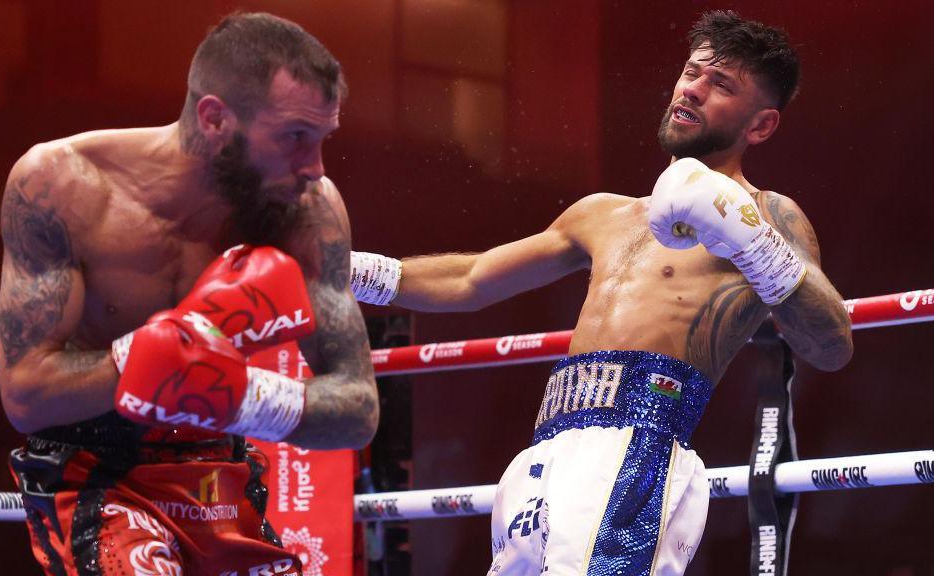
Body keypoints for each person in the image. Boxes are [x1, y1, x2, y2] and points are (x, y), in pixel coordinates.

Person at [350, 10, 852, 576]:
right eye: (693, 72)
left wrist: (753, 243)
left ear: (759, 126)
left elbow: (830, 346)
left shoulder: (767, 216)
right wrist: (346, 271)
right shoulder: (601, 214)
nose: (694, 89)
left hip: (639, 452)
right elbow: (471, 280)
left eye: (722, 85)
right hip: (546, 452)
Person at [0, 12, 378, 576]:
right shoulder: (61, 186)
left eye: (322, 139)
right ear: (214, 118)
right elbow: (26, 393)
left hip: (221, 471)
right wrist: (148, 359)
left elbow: (358, 406)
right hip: (97, 473)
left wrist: (238, 395)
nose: (314, 168)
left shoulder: (305, 212)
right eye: (295, 137)